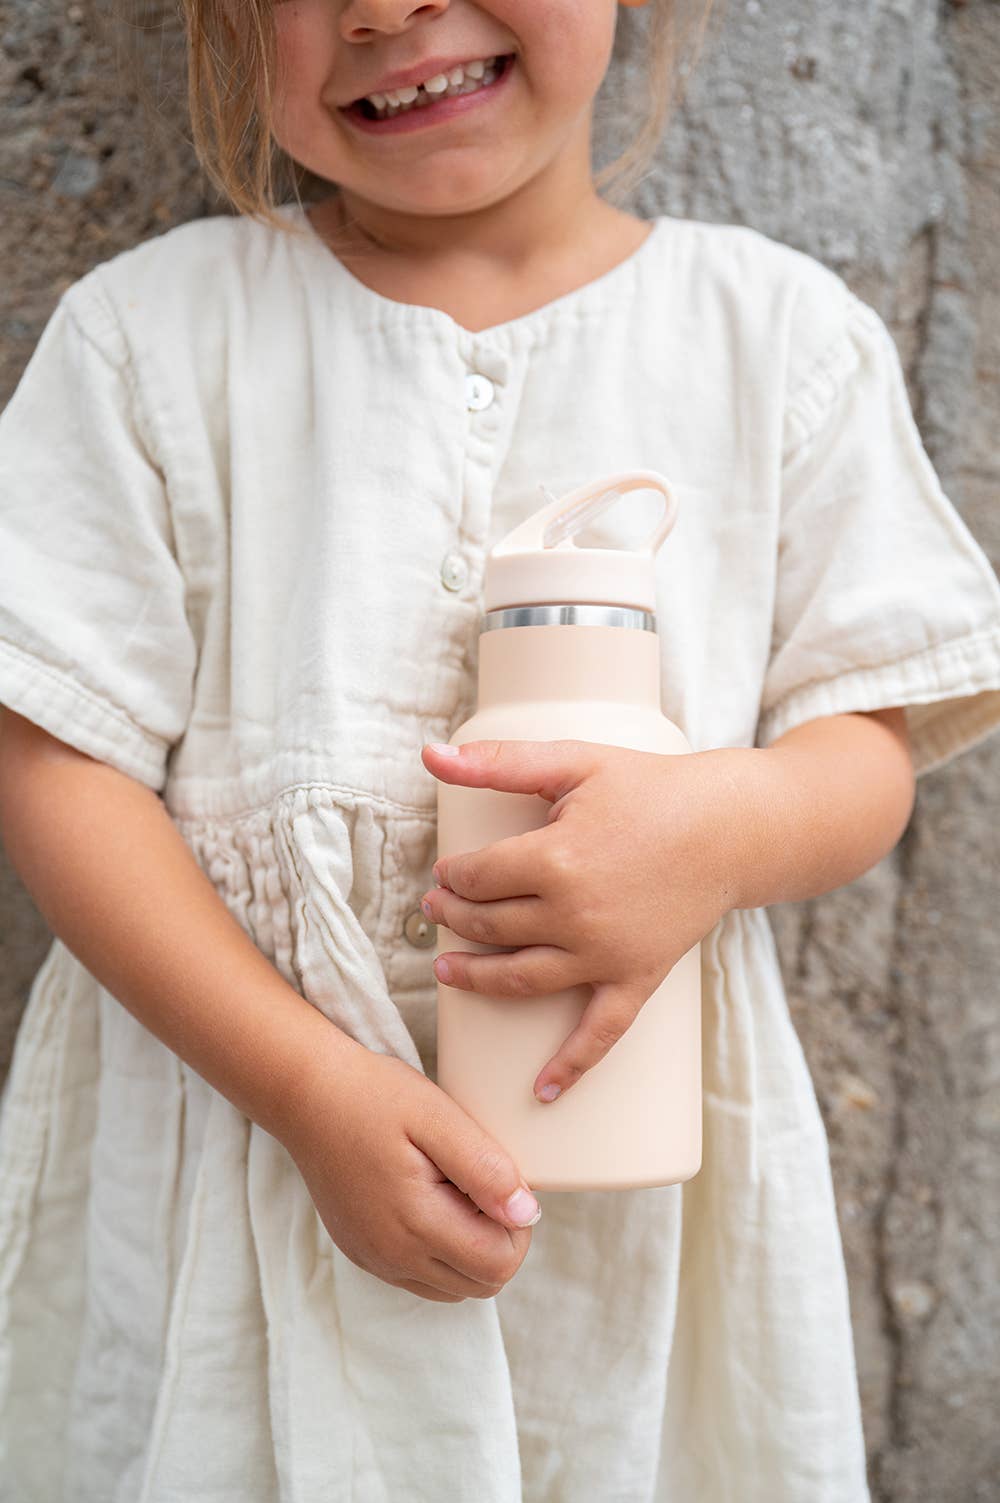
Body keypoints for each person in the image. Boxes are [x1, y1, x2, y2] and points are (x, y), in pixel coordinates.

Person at [0, 0, 998, 1497]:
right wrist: (308, 1093)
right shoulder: (156, 335)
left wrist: (722, 828)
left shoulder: (773, 336)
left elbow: (868, 736)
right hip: (245, 1132)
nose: (388, 11)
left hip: (622, 1173)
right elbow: (56, 763)